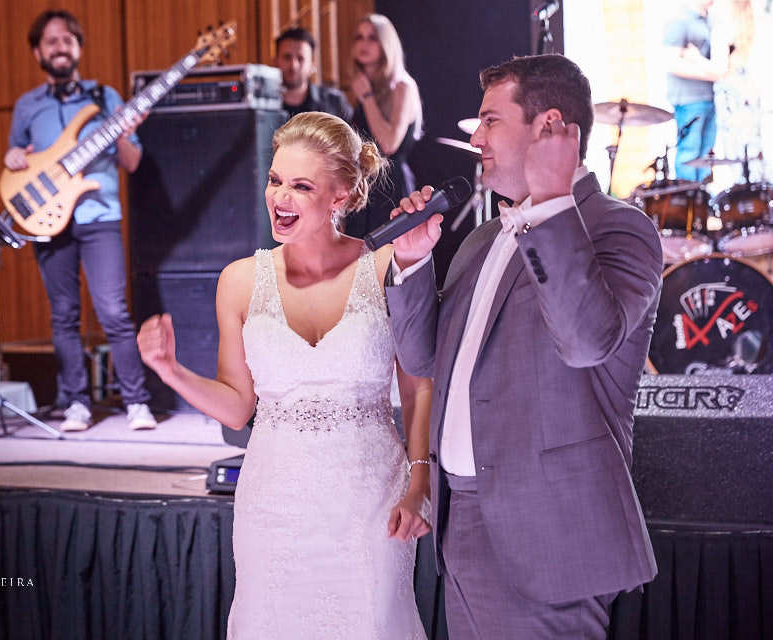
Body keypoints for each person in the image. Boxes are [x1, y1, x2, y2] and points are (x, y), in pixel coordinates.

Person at [386, 55, 662, 638]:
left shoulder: (620, 227)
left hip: (548, 535)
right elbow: (420, 360)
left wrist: (554, 201)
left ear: (549, 128)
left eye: (489, 121)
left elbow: (588, 342)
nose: (475, 137)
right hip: (461, 523)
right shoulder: (484, 238)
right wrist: (411, 262)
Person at [137, 111, 432, 639]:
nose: (280, 198)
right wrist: (170, 370)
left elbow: (417, 385)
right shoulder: (240, 281)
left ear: (340, 197)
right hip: (273, 503)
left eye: (300, 186)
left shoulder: (388, 264)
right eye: (275, 181)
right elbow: (236, 406)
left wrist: (419, 484)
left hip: (369, 498)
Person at [4, 10, 155, 432]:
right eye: (51, 41)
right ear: (38, 51)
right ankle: (75, 402)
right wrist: (12, 157)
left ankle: (136, 402)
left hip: (99, 214)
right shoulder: (27, 106)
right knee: (64, 315)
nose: (60, 47)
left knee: (113, 311)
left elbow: (133, 161)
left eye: (67, 39)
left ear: (78, 47)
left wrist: (122, 133)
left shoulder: (105, 98)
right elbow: (18, 159)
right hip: (49, 220)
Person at [345, 13, 422, 240]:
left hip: (391, 187)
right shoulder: (362, 88)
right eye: (359, 37)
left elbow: (388, 144)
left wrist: (367, 96)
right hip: (363, 187)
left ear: (386, 43)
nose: (363, 44)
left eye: (372, 38)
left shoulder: (402, 87)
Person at [664, 0, 730, 181]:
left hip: (709, 98)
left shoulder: (710, 20)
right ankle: (688, 206)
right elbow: (671, 63)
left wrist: (713, 70)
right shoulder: (680, 20)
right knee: (689, 154)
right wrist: (712, 73)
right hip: (688, 100)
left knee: (706, 157)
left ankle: (701, 204)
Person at [274, 27, 353, 123]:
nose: (293, 65)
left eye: (300, 58)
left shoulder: (334, 102)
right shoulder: (259, 104)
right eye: (287, 57)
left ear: (312, 64)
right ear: (275, 61)